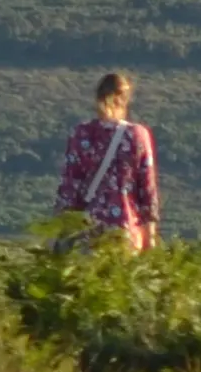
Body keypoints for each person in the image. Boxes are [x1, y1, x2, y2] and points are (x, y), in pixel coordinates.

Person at [54, 70, 161, 249]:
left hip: (86, 230)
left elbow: (69, 186)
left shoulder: (82, 134)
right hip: (125, 230)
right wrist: (150, 235)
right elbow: (147, 189)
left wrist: (59, 229)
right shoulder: (137, 135)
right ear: (126, 99)